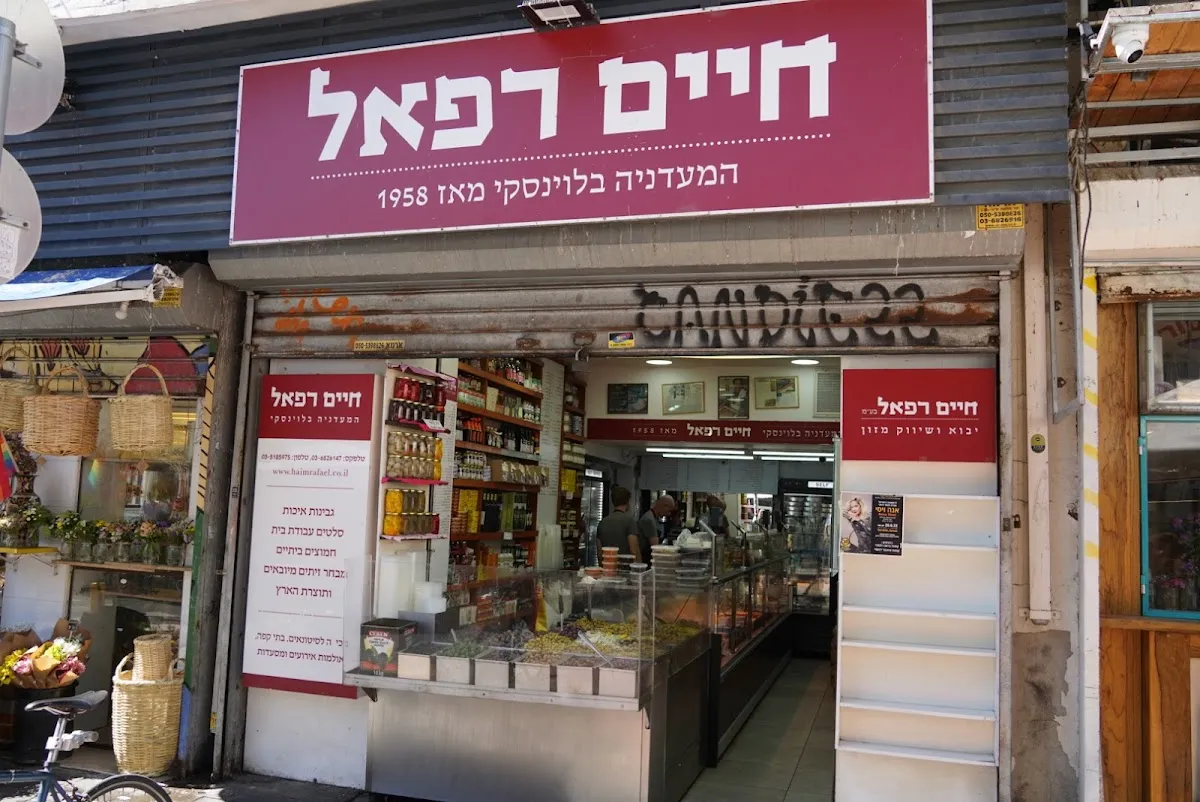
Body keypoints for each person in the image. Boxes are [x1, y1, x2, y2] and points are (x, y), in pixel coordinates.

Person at [596, 486, 638, 559]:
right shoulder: (630, 521)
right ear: (627, 502)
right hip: (625, 565)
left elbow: (599, 553)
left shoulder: (602, 523)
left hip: (607, 564)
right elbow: (634, 550)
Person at [636, 494, 677, 563]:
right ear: (664, 506)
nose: (669, 514)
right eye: (669, 511)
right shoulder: (649, 520)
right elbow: (655, 547)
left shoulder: (653, 518)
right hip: (645, 558)